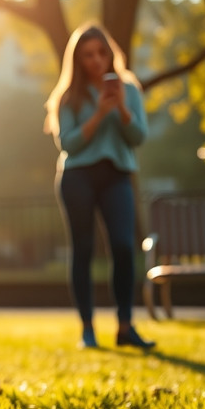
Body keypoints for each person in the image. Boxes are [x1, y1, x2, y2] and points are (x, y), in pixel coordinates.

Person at [44, 23, 154, 350]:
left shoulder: (130, 90)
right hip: (78, 176)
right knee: (83, 249)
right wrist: (98, 114)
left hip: (116, 174)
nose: (96, 60)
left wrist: (119, 107)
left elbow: (138, 137)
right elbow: (69, 144)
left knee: (122, 246)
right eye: (88, 55)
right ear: (78, 60)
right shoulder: (69, 97)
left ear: (110, 54)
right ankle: (87, 329)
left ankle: (124, 326)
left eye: (101, 53)